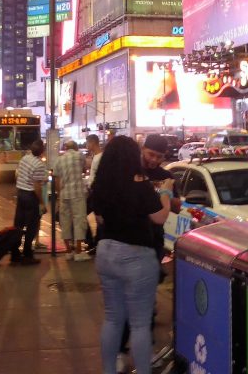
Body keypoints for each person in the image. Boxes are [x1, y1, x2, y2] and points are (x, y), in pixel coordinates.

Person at [89, 136, 172, 374]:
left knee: (113, 319)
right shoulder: (139, 183)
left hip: (106, 253)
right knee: (139, 324)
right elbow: (159, 217)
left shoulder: (101, 185)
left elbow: (100, 218)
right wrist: (165, 194)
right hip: (136, 256)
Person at [12, 139, 48, 266]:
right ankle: (27, 254)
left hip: (21, 194)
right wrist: (42, 203)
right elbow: (37, 187)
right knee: (32, 227)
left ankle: (15, 254)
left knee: (18, 225)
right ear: (42, 152)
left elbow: (17, 175)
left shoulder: (25, 159)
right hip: (30, 197)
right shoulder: (39, 165)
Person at [54, 140, 89, 261]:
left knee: (65, 221)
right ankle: (79, 252)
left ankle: (69, 251)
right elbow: (85, 169)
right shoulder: (79, 155)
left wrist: (59, 195)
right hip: (77, 193)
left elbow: (57, 179)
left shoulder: (59, 159)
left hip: (64, 194)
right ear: (75, 148)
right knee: (79, 220)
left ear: (65, 148)